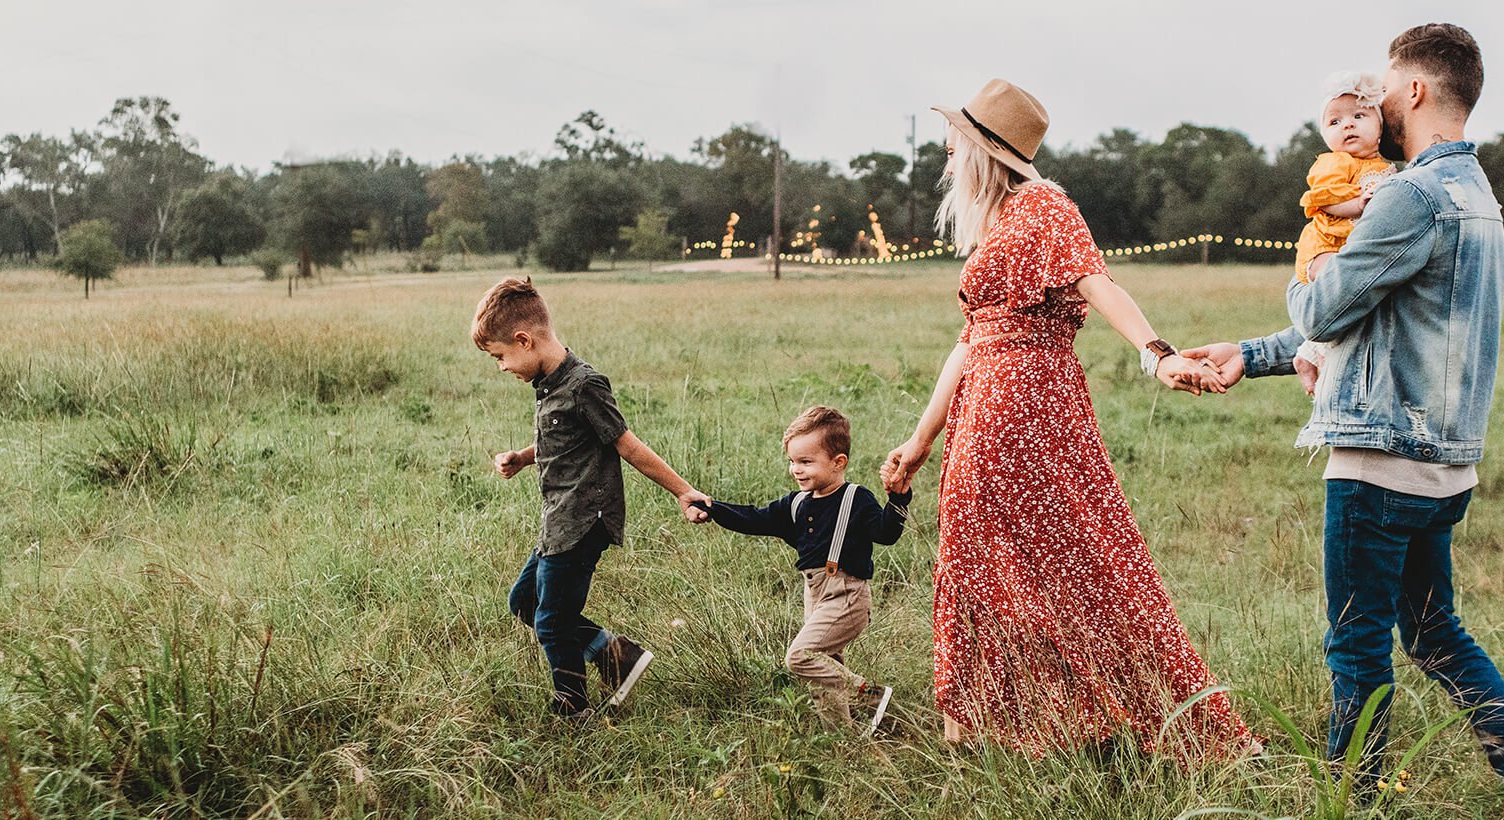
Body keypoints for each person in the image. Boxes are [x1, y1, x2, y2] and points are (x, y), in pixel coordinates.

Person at [1182, 24, 1504, 818]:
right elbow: (1373, 321)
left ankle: (1349, 805)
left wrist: (1310, 266)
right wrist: (1251, 354)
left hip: (1377, 464)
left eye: (1386, 89)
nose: (1377, 102)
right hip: (1446, 466)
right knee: (1434, 635)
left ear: (1418, 91)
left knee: (1357, 648)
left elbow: (1326, 304)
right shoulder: (1477, 196)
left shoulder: (1409, 194)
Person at [878, 78, 1255, 760]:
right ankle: (993, 726)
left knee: (1078, 559)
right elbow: (970, 341)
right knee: (980, 558)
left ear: (984, 149)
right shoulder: (996, 222)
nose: (944, 153)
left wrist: (1157, 354)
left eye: (953, 142)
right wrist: (920, 438)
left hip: (1026, 404)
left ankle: (1117, 718)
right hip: (985, 404)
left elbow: (1098, 281)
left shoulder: (1044, 206)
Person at [472, 276, 712, 718]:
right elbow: (562, 442)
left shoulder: (584, 385)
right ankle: (616, 656)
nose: (501, 367)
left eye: (500, 356)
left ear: (524, 340)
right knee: (524, 602)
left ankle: (573, 707)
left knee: (551, 621)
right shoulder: (548, 385)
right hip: (558, 519)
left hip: (584, 520)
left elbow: (627, 445)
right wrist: (523, 458)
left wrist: (684, 492)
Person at [691, 406, 910, 734]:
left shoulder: (856, 499)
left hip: (847, 596)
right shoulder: (795, 504)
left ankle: (868, 695)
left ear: (839, 463)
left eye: (806, 462)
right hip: (815, 595)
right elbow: (753, 518)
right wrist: (712, 508)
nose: (796, 469)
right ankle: (843, 740)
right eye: (793, 461)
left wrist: (898, 498)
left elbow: (887, 534)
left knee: (801, 657)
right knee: (824, 673)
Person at [1292, 71, 1396, 395]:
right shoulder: (1335, 163)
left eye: (1359, 116)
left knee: (1353, 299)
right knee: (1335, 288)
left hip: (1349, 246)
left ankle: (1311, 353)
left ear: (1380, 127)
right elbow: (1324, 200)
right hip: (1324, 244)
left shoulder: (1385, 167)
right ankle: (1315, 354)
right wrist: (1358, 204)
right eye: (1334, 122)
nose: (1347, 125)